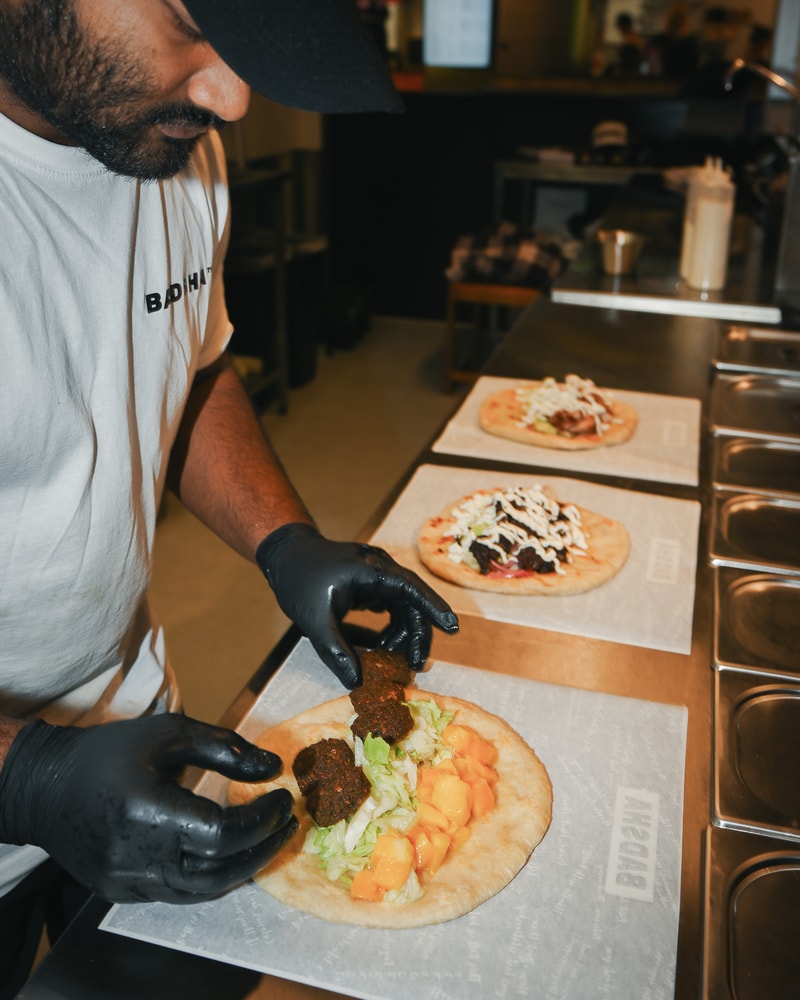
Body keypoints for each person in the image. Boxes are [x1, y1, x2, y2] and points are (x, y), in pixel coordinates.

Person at [0, 0, 458, 993]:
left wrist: (284, 539)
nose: (230, 94)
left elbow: (186, 369)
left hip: (135, 740)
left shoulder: (165, 141)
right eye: (186, 17)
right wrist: (22, 778)